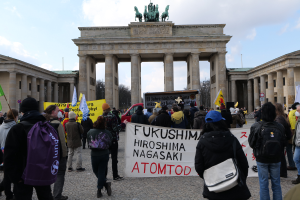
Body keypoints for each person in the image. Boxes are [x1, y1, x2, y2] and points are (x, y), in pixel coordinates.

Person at [4, 97, 54, 200]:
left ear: (22, 112)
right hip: (43, 172)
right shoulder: (48, 127)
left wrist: (15, 177)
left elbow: (9, 156)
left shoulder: (17, 128)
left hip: (22, 174)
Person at [194, 110, 251, 200]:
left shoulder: (202, 142)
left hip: (214, 187)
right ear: (221, 122)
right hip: (234, 186)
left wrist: (209, 177)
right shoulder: (232, 139)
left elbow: (198, 166)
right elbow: (243, 162)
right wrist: (240, 178)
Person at [249, 102, 285, 200]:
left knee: (263, 184)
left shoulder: (256, 126)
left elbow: (251, 143)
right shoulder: (280, 126)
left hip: (262, 158)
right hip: (276, 158)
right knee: (276, 184)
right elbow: (284, 142)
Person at [44, 105, 68, 200]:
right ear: (53, 112)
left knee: (47, 175)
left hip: (47, 154)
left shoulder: (43, 123)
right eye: (58, 110)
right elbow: (62, 141)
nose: (60, 112)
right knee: (60, 174)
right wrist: (65, 155)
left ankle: (48, 195)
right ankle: (57, 195)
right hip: (58, 154)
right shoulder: (58, 124)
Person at [87, 116, 112, 198]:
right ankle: (105, 184)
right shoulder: (107, 133)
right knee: (100, 172)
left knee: (97, 171)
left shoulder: (90, 132)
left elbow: (88, 142)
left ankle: (99, 190)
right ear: (104, 123)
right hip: (104, 154)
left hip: (95, 154)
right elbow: (110, 143)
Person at [102, 103, 124, 181]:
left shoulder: (101, 117)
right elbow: (115, 129)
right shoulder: (112, 116)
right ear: (109, 108)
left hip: (104, 140)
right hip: (113, 139)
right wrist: (123, 124)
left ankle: (104, 175)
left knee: (105, 159)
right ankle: (115, 175)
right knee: (114, 158)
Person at [0, 109, 18, 200]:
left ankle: (9, 194)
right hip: (13, 153)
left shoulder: (1, 126)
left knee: (7, 175)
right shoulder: (15, 127)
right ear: (15, 116)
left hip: (3, 153)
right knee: (13, 176)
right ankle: (10, 194)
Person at [274, 103, 292, 178]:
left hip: (279, 141)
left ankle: (282, 173)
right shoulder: (281, 117)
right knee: (281, 156)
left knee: (280, 157)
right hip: (281, 140)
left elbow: (279, 131)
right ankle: (282, 172)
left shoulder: (279, 119)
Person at [287, 102, 299, 170]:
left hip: (292, 132)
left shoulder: (291, 113)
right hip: (298, 131)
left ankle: (292, 164)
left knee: (289, 148)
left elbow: (287, 123)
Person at [292, 104, 300, 184]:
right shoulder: (298, 120)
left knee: (296, 159)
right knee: (296, 159)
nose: (296, 112)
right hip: (297, 144)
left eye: (298, 111)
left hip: (299, 144)